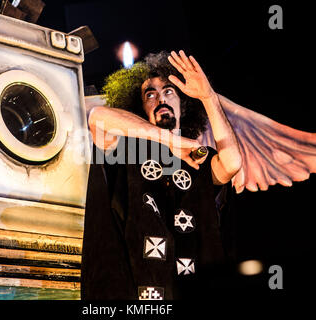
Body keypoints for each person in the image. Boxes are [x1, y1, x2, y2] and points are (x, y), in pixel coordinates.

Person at [81, 50, 242, 300]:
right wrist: (167, 140)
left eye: (169, 91)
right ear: (138, 105)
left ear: (184, 103)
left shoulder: (199, 156)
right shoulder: (125, 149)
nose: (160, 99)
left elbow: (232, 162)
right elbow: (98, 118)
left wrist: (208, 96)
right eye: (150, 94)